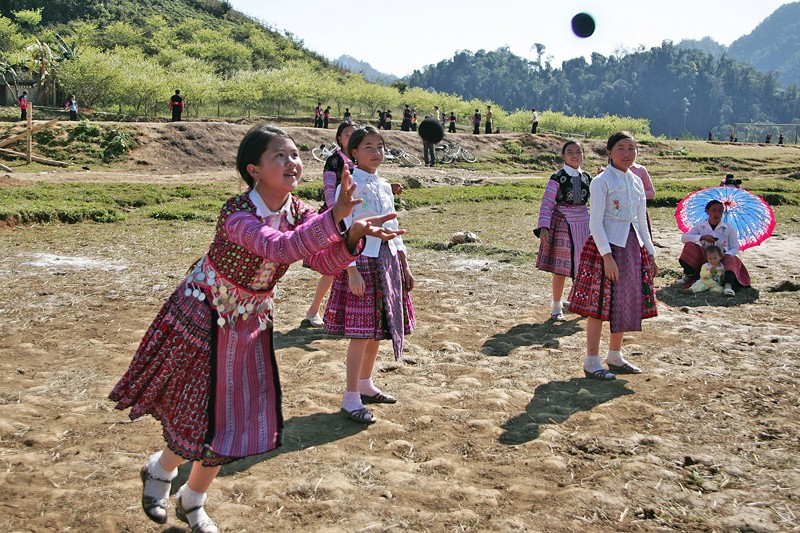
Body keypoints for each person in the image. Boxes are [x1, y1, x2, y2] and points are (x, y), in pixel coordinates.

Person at [109, 124, 403, 532]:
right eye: (279, 156)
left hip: (250, 320)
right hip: (203, 314)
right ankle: (162, 472)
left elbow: (318, 261)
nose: (292, 163)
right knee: (201, 410)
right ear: (253, 169)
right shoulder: (237, 213)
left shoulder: (298, 211)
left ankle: (190, 497)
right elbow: (279, 248)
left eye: (295, 155)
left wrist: (351, 235)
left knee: (235, 417)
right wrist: (336, 217)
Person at [324, 125, 415, 424]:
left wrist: (404, 264)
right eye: (368, 147)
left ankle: (365, 383)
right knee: (361, 334)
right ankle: (350, 396)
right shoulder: (348, 186)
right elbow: (341, 230)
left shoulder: (385, 185)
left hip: (386, 261)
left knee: (378, 328)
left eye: (380, 147)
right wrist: (350, 271)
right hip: (361, 261)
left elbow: (393, 227)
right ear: (353, 153)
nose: (376, 153)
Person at [568, 131, 658, 380]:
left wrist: (650, 254)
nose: (628, 153)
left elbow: (641, 223)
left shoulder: (637, 181)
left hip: (631, 247)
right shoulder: (601, 181)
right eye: (621, 148)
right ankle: (591, 360)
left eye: (632, 148)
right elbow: (595, 223)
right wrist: (607, 256)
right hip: (604, 247)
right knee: (598, 305)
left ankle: (615, 355)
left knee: (625, 302)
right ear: (609, 152)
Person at [304, 122, 357, 326]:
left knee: (354, 268)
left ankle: (346, 316)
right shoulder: (334, 160)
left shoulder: (359, 158)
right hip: (336, 218)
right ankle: (313, 310)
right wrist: (336, 216)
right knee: (333, 267)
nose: (351, 136)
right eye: (347, 134)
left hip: (357, 218)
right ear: (339, 138)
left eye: (354, 134)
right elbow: (328, 189)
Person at [534, 140, 592, 321]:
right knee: (561, 268)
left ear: (583, 155)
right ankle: (556, 306)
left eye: (578, 151)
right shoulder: (557, 177)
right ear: (563, 156)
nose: (575, 155)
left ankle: (580, 302)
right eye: (570, 152)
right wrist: (544, 226)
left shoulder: (588, 178)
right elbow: (547, 203)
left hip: (584, 223)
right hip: (562, 223)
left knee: (583, 265)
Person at [679, 199, 751, 297]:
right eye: (714, 210)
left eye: (720, 210)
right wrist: (702, 237)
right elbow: (684, 238)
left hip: (722, 258)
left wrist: (725, 254)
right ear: (707, 211)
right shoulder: (701, 226)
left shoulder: (728, 228)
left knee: (732, 259)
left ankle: (728, 286)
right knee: (689, 246)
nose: (717, 213)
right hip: (705, 258)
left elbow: (735, 248)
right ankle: (689, 276)